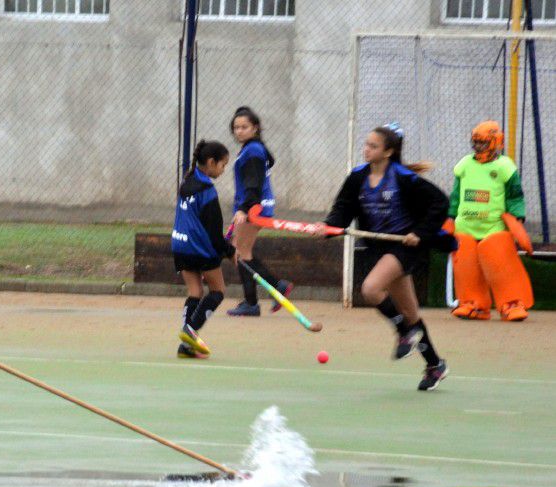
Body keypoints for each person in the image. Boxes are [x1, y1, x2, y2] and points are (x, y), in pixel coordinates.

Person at [313, 123, 450, 391]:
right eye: (366, 144)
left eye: (373, 146)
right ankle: (435, 365)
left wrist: (420, 232)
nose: (366, 149)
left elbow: (440, 203)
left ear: (388, 152)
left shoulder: (403, 177)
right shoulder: (357, 177)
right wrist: (328, 227)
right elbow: (342, 209)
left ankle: (404, 333)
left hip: (404, 247)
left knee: (371, 289)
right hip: (379, 247)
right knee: (410, 313)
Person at [446, 120, 534, 321]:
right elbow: (456, 195)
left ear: (496, 142)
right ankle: (473, 304)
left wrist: (517, 219)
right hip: (465, 227)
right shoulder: (464, 165)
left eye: (483, 143)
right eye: (475, 142)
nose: (478, 147)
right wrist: (451, 218)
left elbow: (515, 196)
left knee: (501, 263)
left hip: (494, 227)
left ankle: (512, 304)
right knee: (467, 266)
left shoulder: (505, 167)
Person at [172, 139, 236, 358]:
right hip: (199, 248)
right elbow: (213, 232)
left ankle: (186, 346)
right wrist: (230, 252)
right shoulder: (207, 190)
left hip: (179, 245)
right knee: (217, 291)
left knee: (195, 292)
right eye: (222, 165)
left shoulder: (187, 182)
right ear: (210, 162)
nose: (223, 170)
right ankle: (190, 331)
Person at [227, 106, 293, 317]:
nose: (239, 131)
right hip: (254, 206)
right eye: (236, 127)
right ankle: (271, 290)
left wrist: (245, 209)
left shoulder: (253, 151)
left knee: (241, 252)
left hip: (254, 207)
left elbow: (253, 183)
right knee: (241, 251)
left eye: (244, 127)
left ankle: (257, 299)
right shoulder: (252, 149)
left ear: (255, 128)